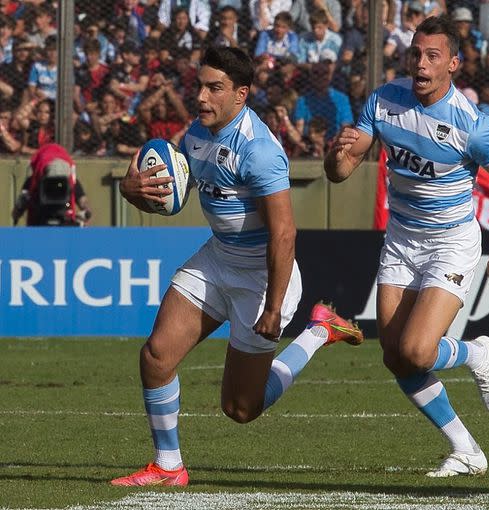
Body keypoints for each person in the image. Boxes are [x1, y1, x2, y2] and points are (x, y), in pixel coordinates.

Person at [110, 46, 364, 487]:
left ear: (240, 94)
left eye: (215, 88)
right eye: (200, 86)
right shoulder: (195, 135)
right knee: (155, 356)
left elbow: (284, 234)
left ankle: (320, 331)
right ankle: (169, 466)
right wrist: (132, 190)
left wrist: (274, 306)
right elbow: (169, 200)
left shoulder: (260, 151)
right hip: (217, 259)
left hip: (263, 279)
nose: (203, 98)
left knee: (241, 409)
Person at [323, 15, 489, 477]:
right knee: (395, 356)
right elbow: (340, 171)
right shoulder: (384, 102)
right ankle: (466, 449)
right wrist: (336, 153)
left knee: (419, 351)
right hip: (401, 240)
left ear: (453, 65)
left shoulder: (471, 124)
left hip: (451, 242)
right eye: (415, 54)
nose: (420, 63)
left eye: (432, 56)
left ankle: (475, 352)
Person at [11, 143, 93, 226]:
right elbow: (18, 210)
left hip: (65, 209)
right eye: (52, 182)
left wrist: (84, 212)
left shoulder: (70, 184)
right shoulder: (33, 183)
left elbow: (82, 202)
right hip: (40, 218)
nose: (56, 186)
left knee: (68, 205)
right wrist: (21, 204)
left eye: (60, 182)